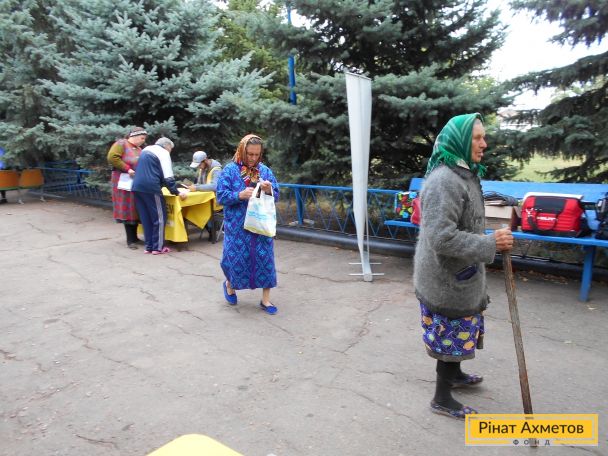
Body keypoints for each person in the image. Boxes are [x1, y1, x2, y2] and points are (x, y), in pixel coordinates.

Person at [413, 113, 513, 419]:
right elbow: (441, 238)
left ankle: (454, 376)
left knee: (458, 332)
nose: (484, 144)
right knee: (450, 333)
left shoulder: (464, 173)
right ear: (460, 141)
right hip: (445, 279)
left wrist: (486, 242)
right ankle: (442, 398)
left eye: (483, 137)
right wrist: (489, 244)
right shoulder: (445, 181)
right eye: (477, 138)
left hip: (459, 273)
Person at [216, 134, 279, 314]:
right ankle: (229, 285)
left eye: (257, 154)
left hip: (261, 226)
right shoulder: (230, 171)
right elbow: (220, 196)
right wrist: (239, 195)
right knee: (234, 260)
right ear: (242, 150)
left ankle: (266, 300)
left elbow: (276, 194)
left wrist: (269, 190)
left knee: (265, 260)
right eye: (250, 154)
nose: (253, 158)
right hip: (237, 226)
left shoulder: (265, 171)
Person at [132, 137, 186, 255]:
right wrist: (176, 192)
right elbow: (168, 177)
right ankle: (158, 247)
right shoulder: (163, 153)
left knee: (146, 218)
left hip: (137, 187)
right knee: (159, 218)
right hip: (151, 188)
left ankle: (149, 246)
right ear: (167, 146)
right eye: (170, 149)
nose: (170, 152)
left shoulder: (146, 150)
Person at [107, 127, 147, 248]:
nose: (143, 141)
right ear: (134, 136)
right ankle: (130, 240)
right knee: (128, 209)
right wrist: (127, 169)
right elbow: (112, 157)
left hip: (134, 182)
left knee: (135, 208)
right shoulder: (121, 144)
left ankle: (135, 238)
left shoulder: (138, 148)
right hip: (123, 183)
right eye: (142, 138)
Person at [188, 150, 223, 239]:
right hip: (206, 200)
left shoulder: (217, 170)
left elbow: (215, 186)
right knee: (191, 207)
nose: (198, 167)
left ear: (205, 160)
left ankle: (212, 230)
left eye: (199, 164)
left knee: (199, 208)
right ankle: (210, 229)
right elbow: (200, 184)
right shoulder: (202, 169)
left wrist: (196, 188)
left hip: (216, 201)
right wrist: (194, 186)